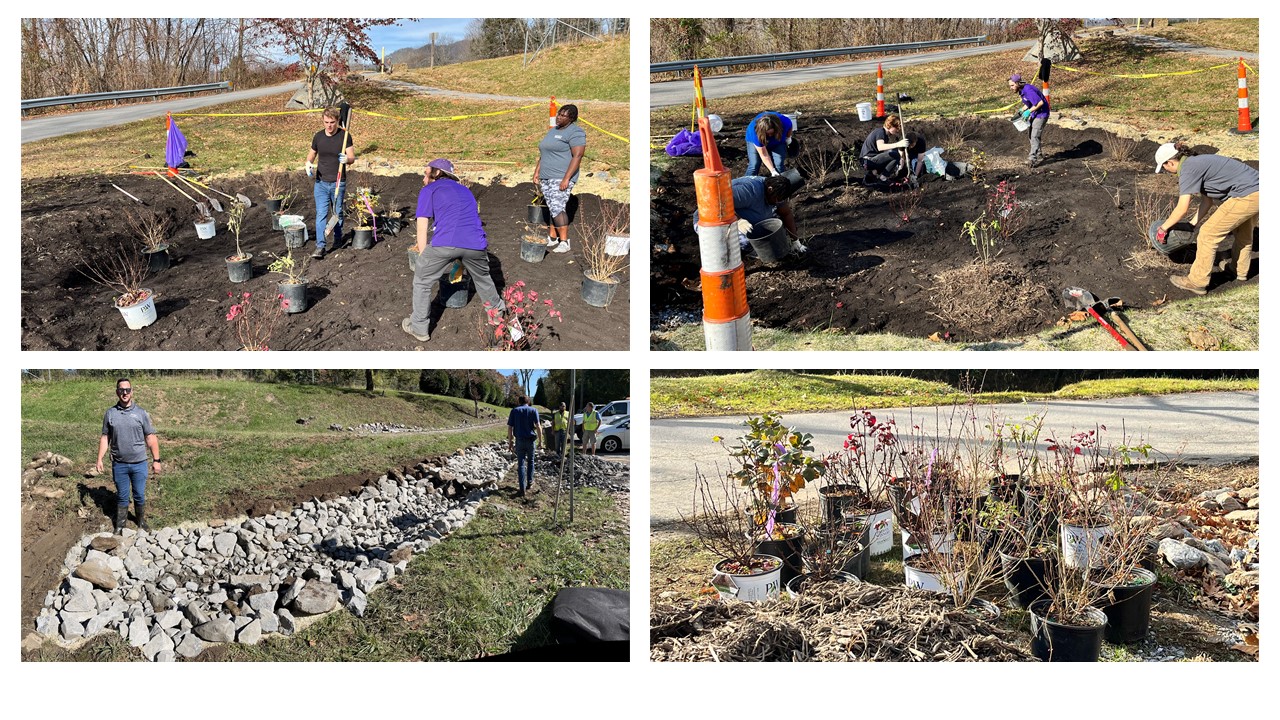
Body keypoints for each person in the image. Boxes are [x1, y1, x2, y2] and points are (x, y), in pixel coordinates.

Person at [402, 158, 506, 342]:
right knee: (483, 278)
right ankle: (497, 315)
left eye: (426, 174)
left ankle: (419, 327)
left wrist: (423, 254)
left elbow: (422, 223)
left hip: (445, 243)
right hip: (476, 245)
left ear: (436, 173)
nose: (423, 179)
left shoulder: (429, 190)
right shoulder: (465, 190)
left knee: (422, 280)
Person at [1154, 142, 1259, 295]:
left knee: (1208, 234)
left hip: (1246, 195)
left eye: (1164, 167)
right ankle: (1238, 270)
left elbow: (1182, 207)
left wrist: (1163, 228)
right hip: (1258, 189)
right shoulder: (1197, 163)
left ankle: (1197, 281)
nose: (1166, 171)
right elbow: (1207, 201)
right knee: (1243, 233)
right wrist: (1192, 224)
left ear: (1170, 162)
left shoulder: (1188, 169)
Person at [96, 378, 162, 534]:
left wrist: (156, 460)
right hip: (119, 464)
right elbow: (105, 438)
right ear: (117, 392)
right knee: (122, 496)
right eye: (121, 390)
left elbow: (150, 437)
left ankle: (140, 521)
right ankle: (120, 526)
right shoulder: (110, 413)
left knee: (139, 494)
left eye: (127, 390)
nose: (124, 393)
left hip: (139, 463)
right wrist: (99, 458)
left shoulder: (141, 413)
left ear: (131, 391)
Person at [696, 175, 804, 256]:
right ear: (770, 190)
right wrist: (738, 221)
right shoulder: (749, 191)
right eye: (776, 199)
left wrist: (795, 240)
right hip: (710, 219)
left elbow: (786, 214)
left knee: (778, 226)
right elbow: (716, 201)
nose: (777, 202)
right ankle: (739, 254)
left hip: (742, 212)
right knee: (747, 240)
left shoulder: (776, 192)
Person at [533, 104, 586, 254]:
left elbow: (578, 156)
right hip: (547, 175)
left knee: (557, 207)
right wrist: (537, 172)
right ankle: (552, 237)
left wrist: (566, 178)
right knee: (551, 206)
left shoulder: (576, 132)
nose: (559, 117)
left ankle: (564, 241)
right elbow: (544, 153)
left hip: (561, 176)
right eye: (559, 114)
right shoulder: (552, 131)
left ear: (572, 118)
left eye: (563, 116)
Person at [305, 106, 356, 259]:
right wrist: (308, 163)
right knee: (321, 214)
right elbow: (311, 154)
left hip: (338, 182)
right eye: (326, 122)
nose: (329, 125)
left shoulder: (345, 136)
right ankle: (320, 246)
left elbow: (352, 158)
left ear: (337, 121)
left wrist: (347, 160)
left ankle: (338, 239)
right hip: (320, 182)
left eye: (332, 122)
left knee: (337, 213)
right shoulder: (318, 136)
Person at [860, 114, 922, 186]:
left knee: (892, 154)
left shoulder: (885, 135)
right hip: (867, 160)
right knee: (895, 155)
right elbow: (880, 147)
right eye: (897, 128)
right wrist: (898, 144)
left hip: (869, 161)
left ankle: (870, 177)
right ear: (890, 125)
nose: (898, 130)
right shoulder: (880, 132)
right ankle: (883, 178)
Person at [1009, 74, 1050, 167]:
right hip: (1035, 113)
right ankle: (1039, 155)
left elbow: (1040, 102)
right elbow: (1029, 102)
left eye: (1012, 85)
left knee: (1035, 136)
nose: (1011, 88)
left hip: (1041, 114)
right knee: (1031, 135)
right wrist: (1022, 109)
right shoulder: (1021, 90)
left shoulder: (1028, 90)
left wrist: (1028, 112)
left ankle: (1032, 159)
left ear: (1017, 83)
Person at [507, 395, 542, 497]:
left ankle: (522, 487)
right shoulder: (533, 410)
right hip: (531, 441)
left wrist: (510, 442)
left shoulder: (514, 411)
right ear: (528, 402)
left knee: (521, 463)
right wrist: (540, 441)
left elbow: (510, 428)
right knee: (531, 461)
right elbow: (538, 426)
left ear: (519, 402)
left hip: (519, 440)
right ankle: (530, 482)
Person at [745, 111, 794, 177]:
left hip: (777, 138)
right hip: (757, 138)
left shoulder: (785, 122)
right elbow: (764, 155)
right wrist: (772, 171)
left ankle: (782, 182)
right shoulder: (755, 133)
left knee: (779, 162)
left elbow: (790, 127)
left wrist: (788, 137)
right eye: (768, 134)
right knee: (755, 164)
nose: (770, 136)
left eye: (771, 133)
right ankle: (747, 183)